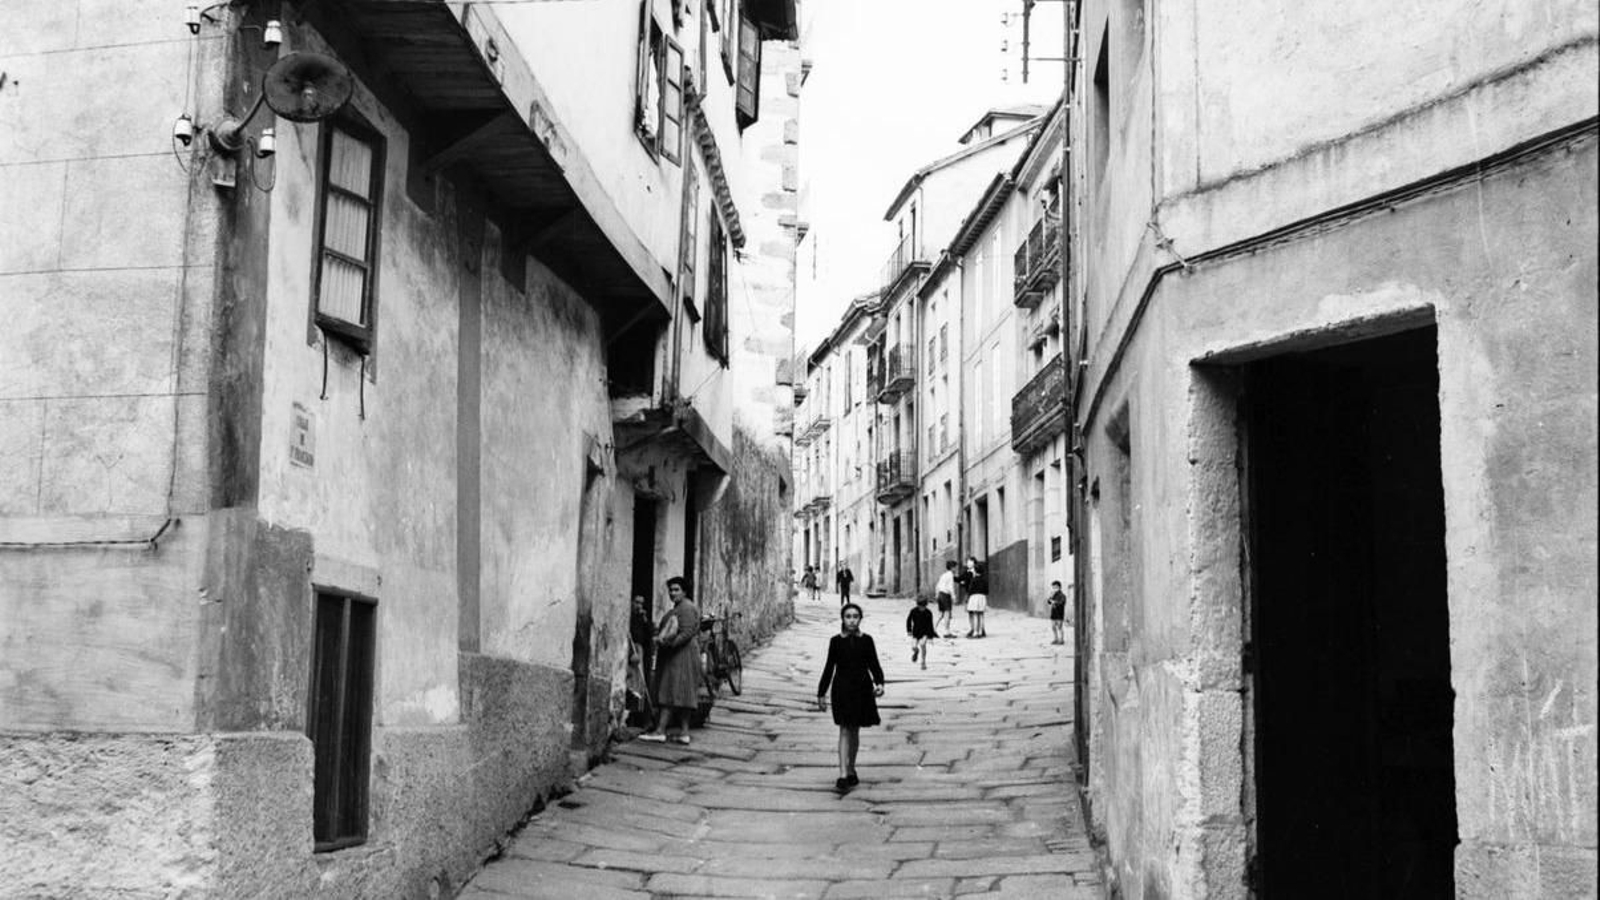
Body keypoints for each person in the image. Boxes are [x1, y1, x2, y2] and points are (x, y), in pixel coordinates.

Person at [815, 602, 885, 791]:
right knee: (845, 729)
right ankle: (843, 774)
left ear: (860, 619)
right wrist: (821, 692)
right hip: (842, 689)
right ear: (843, 619)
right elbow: (829, 667)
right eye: (848, 616)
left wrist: (880, 683)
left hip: (862, 689)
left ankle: (852, 767)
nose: (852, 620)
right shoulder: (836, 641)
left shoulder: (867, 640)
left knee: (855, 731)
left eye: (855, 616)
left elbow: (874, 664)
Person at [640, 576, 702, 745]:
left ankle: (660, 730)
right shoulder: (679, 608)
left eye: (676, 590)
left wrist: (667, 644)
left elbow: (687, 632)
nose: (672, 593)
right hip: (680, 655)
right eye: (671, 590)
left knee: (670, 691)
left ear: (684, 591)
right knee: (681, 693)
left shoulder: (686, 608)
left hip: (682, 655)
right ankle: (684, 732)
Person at [905, 595, 936, 670]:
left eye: (923, 606)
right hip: (915, 632)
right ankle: (916, 652)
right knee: (914, 646)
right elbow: (908, 620)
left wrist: (930, 636)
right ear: (918, 605)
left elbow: (930, 625)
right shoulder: (913, 611)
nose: (922, 608)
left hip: (924, 633)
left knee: (922, 645)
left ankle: (923, 662)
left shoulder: (928, 613)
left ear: (926, 605)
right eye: (920, 606)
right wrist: (909, 630)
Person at [963, 557, 989, 638]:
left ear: (975, 571)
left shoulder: (974, 580)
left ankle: (975, 632)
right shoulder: (985, 580)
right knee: (981, 615)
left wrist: (968, 597)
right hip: (982, 597)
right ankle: (981, 631)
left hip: (974, 598)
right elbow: (987, 590)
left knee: (975, 615)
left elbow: (970, 589)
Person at [934, 560, 958, 638]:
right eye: (955, 567)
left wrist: (937, 594)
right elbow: (950, 587)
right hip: (945, 595)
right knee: (947, 613)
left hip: (940, 594)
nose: (956, 569)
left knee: (941, 614)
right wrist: (953, 596)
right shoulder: (950, 575)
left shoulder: (943, 575)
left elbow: (937, 586)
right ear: (952, 568)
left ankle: (933, 629)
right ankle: (947, 632)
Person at [1047, 580, 1067, 645]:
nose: (1054, 588)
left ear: (1059, 587)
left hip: (1059, 613)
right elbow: (1049, 602)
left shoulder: (1062, 595)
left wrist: (1055, 602)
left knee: (1059, 627)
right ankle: (1056, 639)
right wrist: (1050, 597)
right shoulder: (1053, 594)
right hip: (1053, 613)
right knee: (1053, 627)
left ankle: (1061, 640)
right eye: (1053, 587)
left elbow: (1062, 603)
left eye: (1055, 587)